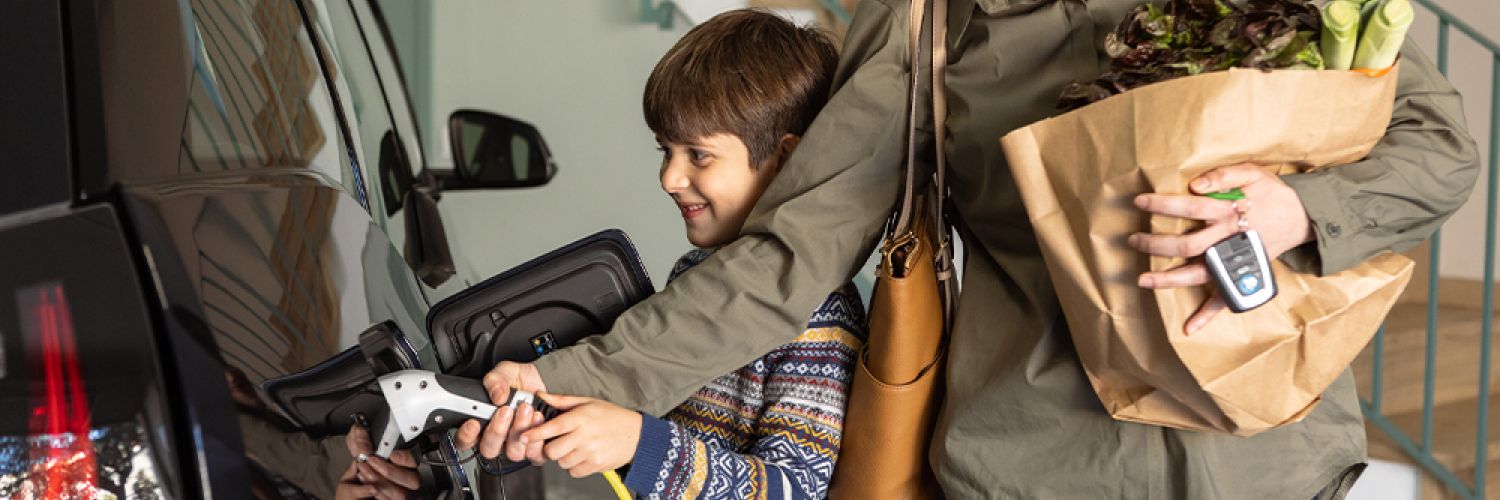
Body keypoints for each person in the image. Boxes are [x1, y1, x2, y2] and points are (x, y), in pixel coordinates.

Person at [465, 1, 1480, 500]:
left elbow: (1440, 145)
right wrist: (570, 377)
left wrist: (1294, 209)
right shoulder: (925, 25)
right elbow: (790, 250)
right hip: (1045, 461)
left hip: (1269, 455)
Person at [454, 9, 864, 500]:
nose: (670, 178)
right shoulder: (695, 273)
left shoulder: (819, 317)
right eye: (665, 151)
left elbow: (794, 489)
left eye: (699, 155)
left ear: (785, 160)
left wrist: (639, 444)